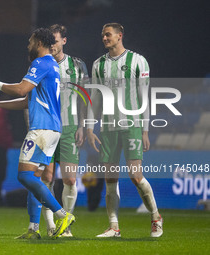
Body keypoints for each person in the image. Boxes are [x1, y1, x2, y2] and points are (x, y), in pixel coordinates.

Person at [0, 28, 75, 240]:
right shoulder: (52, 66)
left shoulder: (40, 63)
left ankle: (62, 214)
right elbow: (26, 101)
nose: (28, 45)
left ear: (40, 42)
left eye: (30, 41)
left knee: (24, 176)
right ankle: (33, 229)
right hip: (52, 129)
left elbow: (21, 90)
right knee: (34, 178)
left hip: (41, 129)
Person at [86, 23, 163, 238]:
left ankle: (156, 217)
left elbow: (144, 97)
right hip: (108, 127)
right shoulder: (98, 64)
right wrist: (90, 128)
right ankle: (114, 226)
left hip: (132, 126)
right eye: (102, 35)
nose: (104, 38)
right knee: (110, 178)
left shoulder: (138, 61)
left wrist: (145, 130)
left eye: (108, 35)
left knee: (136, 176)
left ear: (120, 36)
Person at [21, 24, 89, 238]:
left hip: (68, 127)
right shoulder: (40, 64)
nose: (53, 45)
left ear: (63, 41)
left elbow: (85, 98)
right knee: (44, 177)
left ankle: (65, 224)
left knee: (69, 179)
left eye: (56, 41)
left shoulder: (77, 65)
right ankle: (51, 225)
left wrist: (83, 126)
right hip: (45, 127)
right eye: (50, 41)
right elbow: (29, 97)